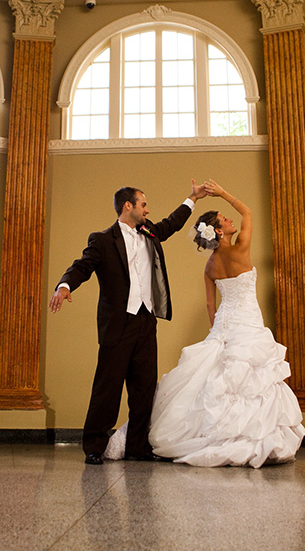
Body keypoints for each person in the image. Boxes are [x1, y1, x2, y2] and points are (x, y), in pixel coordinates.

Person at [105, 180, 305, 468]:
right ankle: (245, 438)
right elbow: (248, 212)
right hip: (247, 321)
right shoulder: (241, 251)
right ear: (219, 231)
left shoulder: (210, 265)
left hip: (226, 323)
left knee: (214, 375)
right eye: (225, 219)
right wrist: (223, 192)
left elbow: (212, 306)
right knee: (252, 381)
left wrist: (218, 332)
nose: (230, 219)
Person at [50, 181, 208, 466]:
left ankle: (137, 447)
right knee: (107, 387)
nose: (148, 209)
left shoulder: (149, 233)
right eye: (143, 204)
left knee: (144, 387)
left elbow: (171, 224)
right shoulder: (102, 240)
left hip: (146, 321)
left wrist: (192, 199)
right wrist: (64, 286)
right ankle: (95, 447)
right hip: (117, 324)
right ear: (128, 206)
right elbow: (82, 266)